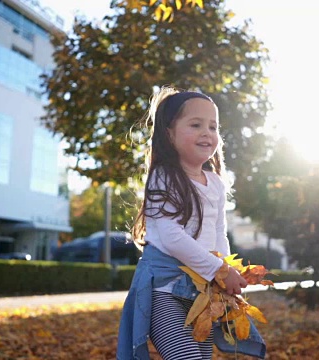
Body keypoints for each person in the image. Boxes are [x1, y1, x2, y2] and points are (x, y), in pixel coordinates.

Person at [117, 86, 266, 359]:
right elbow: (173, 238)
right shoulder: (163, 177)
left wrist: (225, 271)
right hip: (166, 292)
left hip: (202, 296)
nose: (207, 133)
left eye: (213, 126)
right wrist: (219, 270)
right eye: (195, 124)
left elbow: (219, 231)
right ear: (169, 134)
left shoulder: (216, 184)